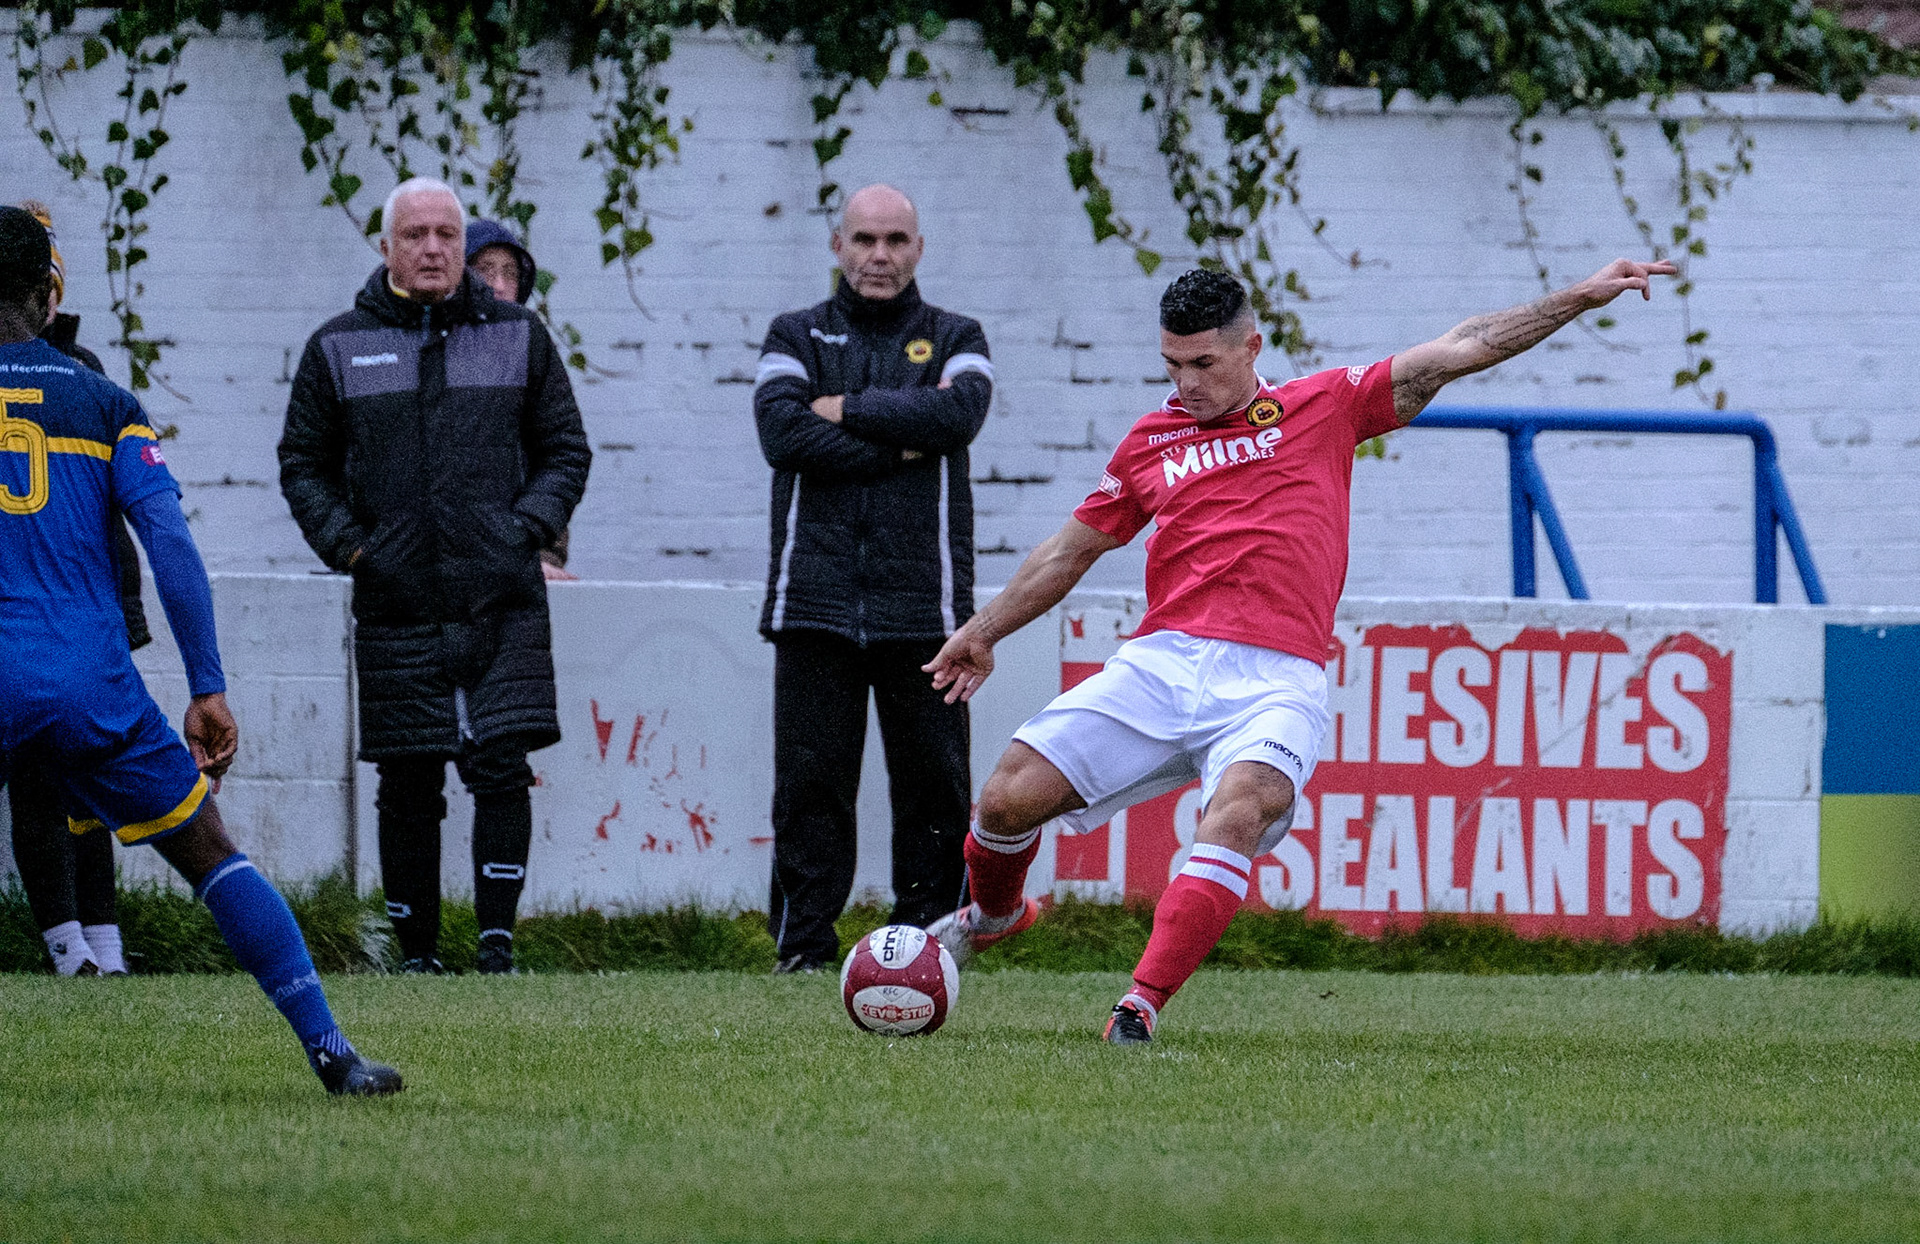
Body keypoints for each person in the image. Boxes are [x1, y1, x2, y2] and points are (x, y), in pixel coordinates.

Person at [925, 260, 1676, 1043]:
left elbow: (1464, 347)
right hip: (1163, 660)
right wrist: (984, 631)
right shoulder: (1150, 442)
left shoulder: (1325, 404)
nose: (1186, 384)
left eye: (1204, 363)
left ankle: (1138, 1007)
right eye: (1172, 366)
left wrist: (1579, 297)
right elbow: (1068, 552)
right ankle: (997, 915)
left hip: (1275, 677)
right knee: (1005, 799)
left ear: (1251, 347)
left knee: (1240, 811)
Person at [0, 204, 401, 1094]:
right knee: (212, 854)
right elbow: (170, 547)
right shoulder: (104, 402)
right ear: (46, 293)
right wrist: (207, 686)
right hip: (89, 682)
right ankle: (334, 1056)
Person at [279, 178, 590, 975]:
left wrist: (522, 532)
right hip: (396, 599)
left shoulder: (521, 336)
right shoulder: (337, 346)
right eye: (414, 235)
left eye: (446, 234)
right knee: (408, 778)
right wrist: (355, 550)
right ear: (386, 247)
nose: (431, 248)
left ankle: (497, 947)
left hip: (501, 598)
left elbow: (564, 450)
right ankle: (417, 955)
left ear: (463, 244)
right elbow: (303, 466)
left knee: (501, 768)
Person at [752, 183, 994, 972]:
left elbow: (956, 417)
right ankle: (803, 949)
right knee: (811, 788)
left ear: (918, 249)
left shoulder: (957, 335)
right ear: (838, 246)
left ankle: (926, 949)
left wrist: (840, 408)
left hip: (925, 604)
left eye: (895, 240)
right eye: (864, 239)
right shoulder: (793, 334)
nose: (879, 255)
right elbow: (782, 435)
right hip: (812, 600)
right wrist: (903, 441)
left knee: (932, 790)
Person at [5, 199, 147, 976]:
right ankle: (67, 946)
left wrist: (126, 608)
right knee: (36, 782)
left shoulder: (86, 373)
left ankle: (106, 941)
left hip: (86, 612)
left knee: (90, 782)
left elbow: (113, 514)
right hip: (31, 616)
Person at [464, 218, 576, 582]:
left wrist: (541, 553)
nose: (498, 285)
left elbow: (558, 457)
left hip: (523, 562)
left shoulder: (532, 351)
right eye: (485, 270)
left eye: (509, 273)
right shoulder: (423, 347)